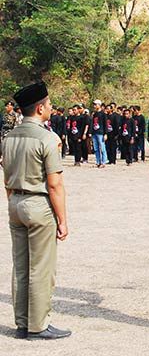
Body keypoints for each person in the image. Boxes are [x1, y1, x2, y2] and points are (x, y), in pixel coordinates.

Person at [1, 82, 71, 340]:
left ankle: (22, 323)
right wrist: (62, 219)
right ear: (40, 108)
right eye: (49, 104)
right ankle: (38, 325)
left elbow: (7, 177)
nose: (51, 108)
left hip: (15, 202)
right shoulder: (48, 138)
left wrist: (14, 200)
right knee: (41, 267)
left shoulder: (9, 137)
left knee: (20, 266)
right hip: (38, 204)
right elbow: (54, 183)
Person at [90, 100, 108, 168]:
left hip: (101, 133)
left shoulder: (103, 114)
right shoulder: (94, 114)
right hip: (95, 132)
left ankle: (103, 162)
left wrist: (105, 133)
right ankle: (98, 161)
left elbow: (105, 124)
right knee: (96, 148)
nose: (94, 106)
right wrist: (91, 132)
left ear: (99, 105)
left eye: (95, 104)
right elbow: (92, 123)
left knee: (102, 148)